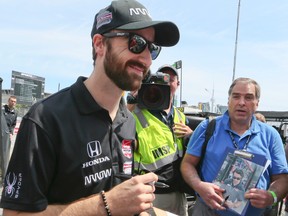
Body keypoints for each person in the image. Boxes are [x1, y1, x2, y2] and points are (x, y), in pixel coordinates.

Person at [0, 0, 180, 215]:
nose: (147, 58)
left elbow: (121, 199)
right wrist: (107, 205)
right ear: (100, 44)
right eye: (137, 42)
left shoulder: (127, 121)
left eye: (153, 48)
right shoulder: (46, 118)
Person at [181, 77, 288, 216]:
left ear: (257, 103)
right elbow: (187, 164)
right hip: (207, 211)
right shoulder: (208, 127)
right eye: (236, 96)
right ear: (228, 100)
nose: (241, 102)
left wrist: (271, 196)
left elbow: (282, 178)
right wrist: (199, 186)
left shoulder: (271, 135)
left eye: (249, 97)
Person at [129, 64, 193, 215]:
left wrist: (191, 134)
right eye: (163, 78)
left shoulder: (180, 116)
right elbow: (119, 122)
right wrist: (133, 97)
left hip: (178, 193)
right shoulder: (139, 111)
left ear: (177, 84)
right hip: (152, 194)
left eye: (171, 79)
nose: (167, 83)